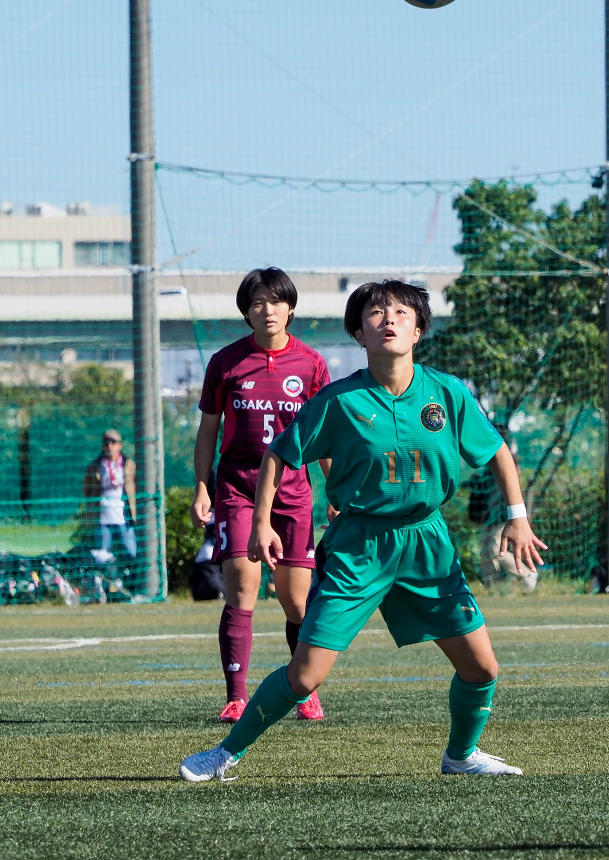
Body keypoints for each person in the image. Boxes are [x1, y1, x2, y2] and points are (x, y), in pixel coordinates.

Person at [178, 279, 546, 782]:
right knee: (305, 677)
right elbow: (278, 455)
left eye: (400, 312)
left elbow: (497, 451)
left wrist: (517, 516)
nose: (388, 320)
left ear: (419, 330)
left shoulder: (448, 394)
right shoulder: (339, 400)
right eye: (375, 313)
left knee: (482, 669)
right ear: (358, 332)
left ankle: (461, 756)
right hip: (358, 546)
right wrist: (261, 523)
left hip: (427, 544)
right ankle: (225, 753)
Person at [191, 268, 331, 724]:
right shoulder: (226, 362)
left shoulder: (311, 363)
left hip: (292, 493)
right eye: (256, 302)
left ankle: (303, 687)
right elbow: (208, 429)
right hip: (238, 489)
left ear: (290, 307)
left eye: (275, 301)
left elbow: (324, 436)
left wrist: (337, 489)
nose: (266, 310)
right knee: (242, 587)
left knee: (296, 600)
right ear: (245, 311)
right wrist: (202, 488)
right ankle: (236, 695)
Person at [82, 429, 138, 559]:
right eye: (106, 443)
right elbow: (87, 490)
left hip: (125, 518)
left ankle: (127, 578)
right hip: (103, 519)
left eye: (113, 442)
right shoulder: (95, 466)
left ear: (120, 445)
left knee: (131, 553)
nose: (110, 446)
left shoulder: (129, 465)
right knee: (103, 556)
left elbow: (136, 486)